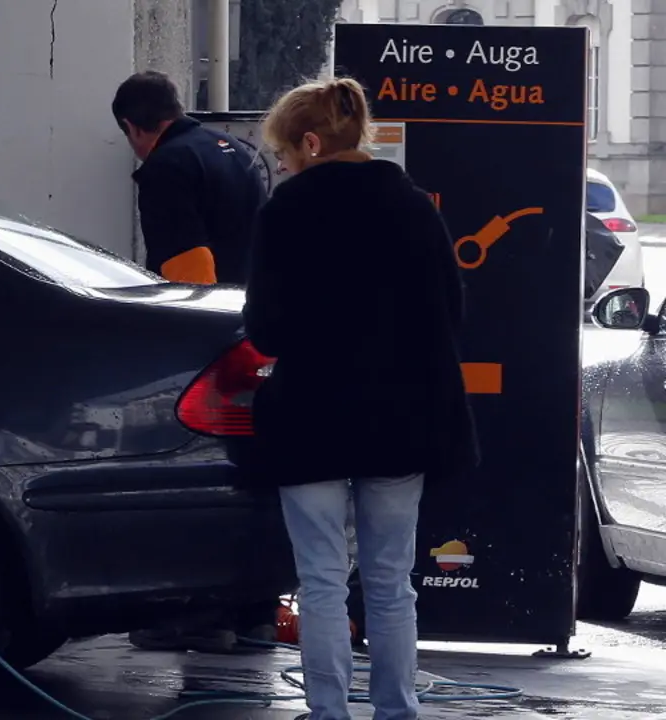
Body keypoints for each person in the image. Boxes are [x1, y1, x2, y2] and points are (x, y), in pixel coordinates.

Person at [243, 77, 478, 720]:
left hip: (312, 416)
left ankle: (328, 713)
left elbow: (264, 327)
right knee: (390, 582)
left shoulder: (285, 213)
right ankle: (397, 711)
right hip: (403, 417)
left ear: (311, 142)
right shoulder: (415, 208)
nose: (284, 165)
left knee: (319, 582)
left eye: (286, 154)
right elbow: (451, 315)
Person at [111, 71, 275, 653]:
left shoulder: (166, 168)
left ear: (134, 128)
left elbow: (190, 267)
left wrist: (182, 345)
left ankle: (201, 615)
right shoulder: (239, 153)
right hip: (256, 327)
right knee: (249, 474)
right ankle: (254, 607)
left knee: (195, 469)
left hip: (210, 337)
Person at [112, 71, 266, 285]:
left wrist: (199, 316)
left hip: (216, 310)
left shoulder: (164, 168)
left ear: (131, 127)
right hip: (252, 299)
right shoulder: (230, 145)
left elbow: (187, 263)